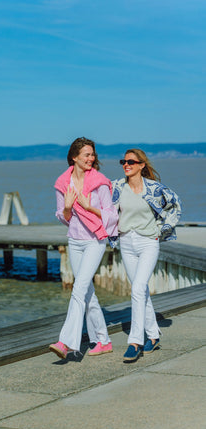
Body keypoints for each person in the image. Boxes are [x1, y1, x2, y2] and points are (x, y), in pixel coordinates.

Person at [49, 137, 119, 359]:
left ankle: (65, 342)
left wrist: (89, 207)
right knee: (87, 292)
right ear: (74, 157)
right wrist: (68, 208)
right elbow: (63, 216)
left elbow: (112, 214)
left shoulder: (99, 181)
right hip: (75, 240)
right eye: (87, 154)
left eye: (93, 154)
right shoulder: (62, 183)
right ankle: (103, 341)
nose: (91, 158)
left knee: (78, 289)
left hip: (94, 240)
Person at [112, 148, 182, 362]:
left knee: (137, 288)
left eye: (132, 162)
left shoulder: (154, 188)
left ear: (142, 165)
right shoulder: (116, 187)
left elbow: (176, 206)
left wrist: (162, 231)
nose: (127, 165)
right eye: (124, 161)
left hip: (148, 243)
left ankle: (135, 341)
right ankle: (153, 335)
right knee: (140, 291)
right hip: (126, 242)